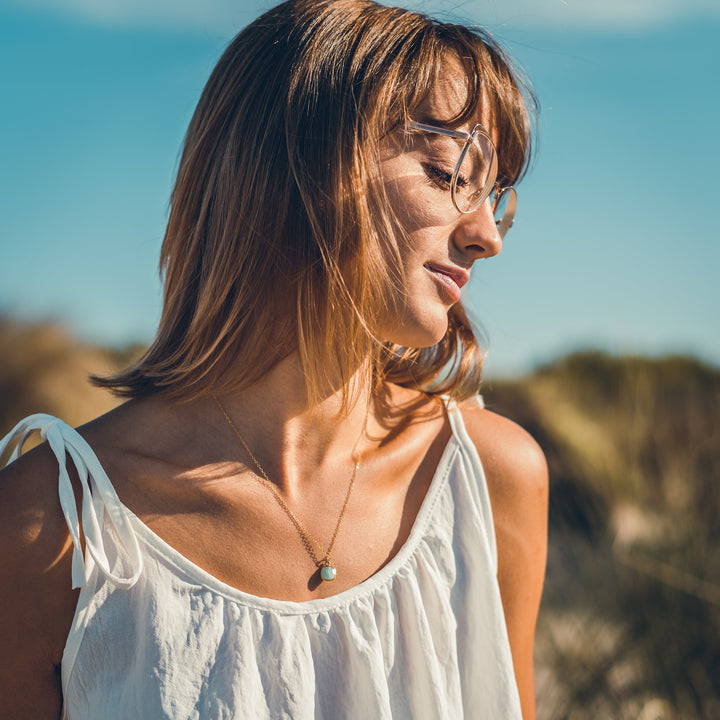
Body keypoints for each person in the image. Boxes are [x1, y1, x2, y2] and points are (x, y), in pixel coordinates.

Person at [0, 0, 548, 717]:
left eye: (496, 197)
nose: (486, 236)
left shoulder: (489, 483)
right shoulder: (47, 529)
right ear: (303, 163)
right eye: (450, 172)